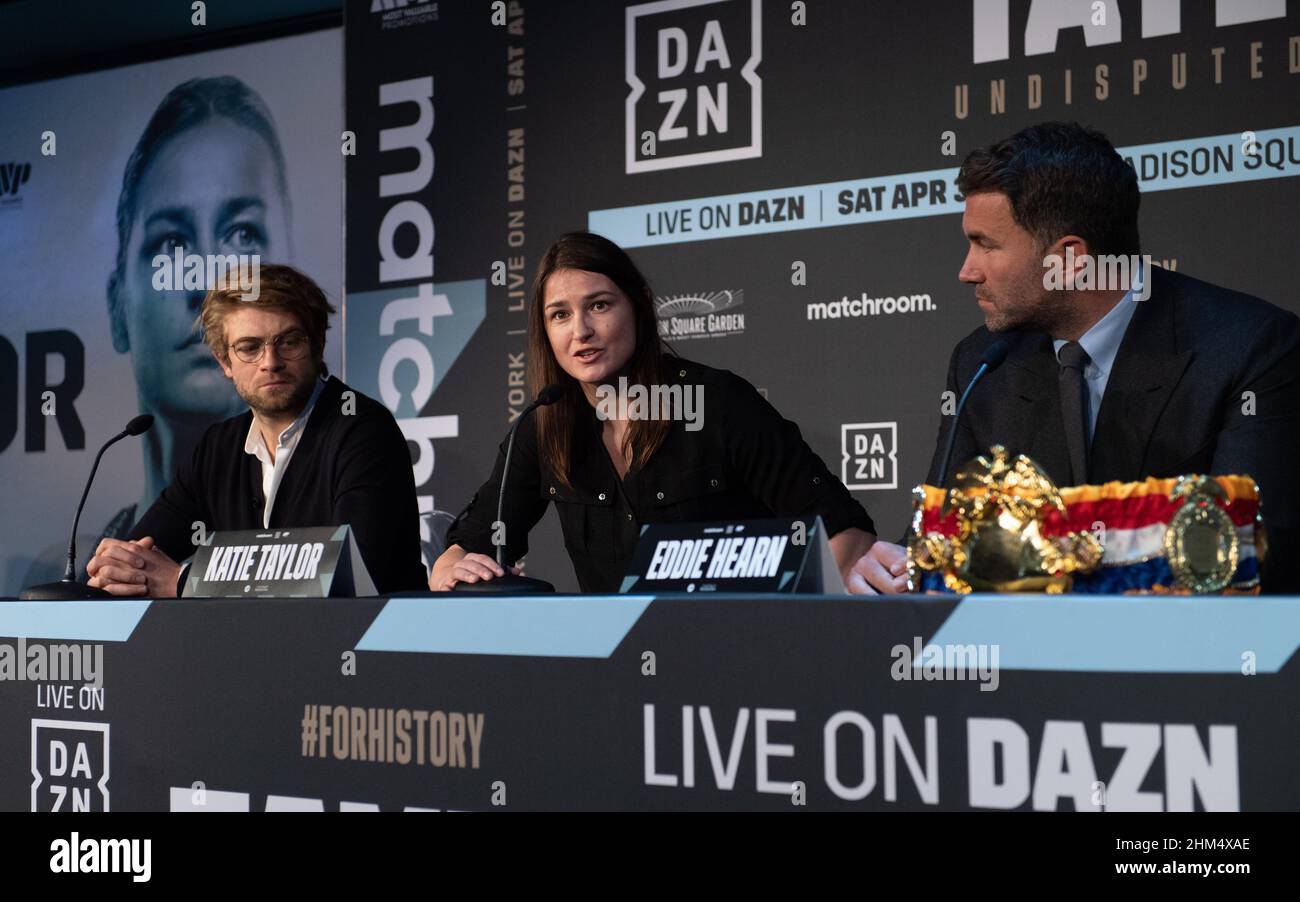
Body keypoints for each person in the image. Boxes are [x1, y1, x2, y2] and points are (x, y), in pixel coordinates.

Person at [855, 122, 1300, 594]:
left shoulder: (1253, 348)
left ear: (1069, 259)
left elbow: (1242, 549)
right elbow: (941, 539)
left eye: (985, 244)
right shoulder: (982, 362)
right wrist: (899, 568)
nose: (967, 271)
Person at [429, 232, 882, 593]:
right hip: (616, 672)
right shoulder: (545, 423)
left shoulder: (716, 402)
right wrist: (452, 568)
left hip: (737, 658)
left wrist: (776, 627)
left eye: (599, 305)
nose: (581, 331)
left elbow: (847, 532)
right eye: (560, 315)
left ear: (641, 305)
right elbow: (466, 545)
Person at [85, 264, 427, 596]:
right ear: (224, 362)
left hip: (366, 648)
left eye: (289, 342)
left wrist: (185, 581)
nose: (270, 362)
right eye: (249, 347)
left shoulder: (363, 429)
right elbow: (141, 551)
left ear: (317, 345)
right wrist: (119, 568)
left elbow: (353, 569)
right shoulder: (218, 447)